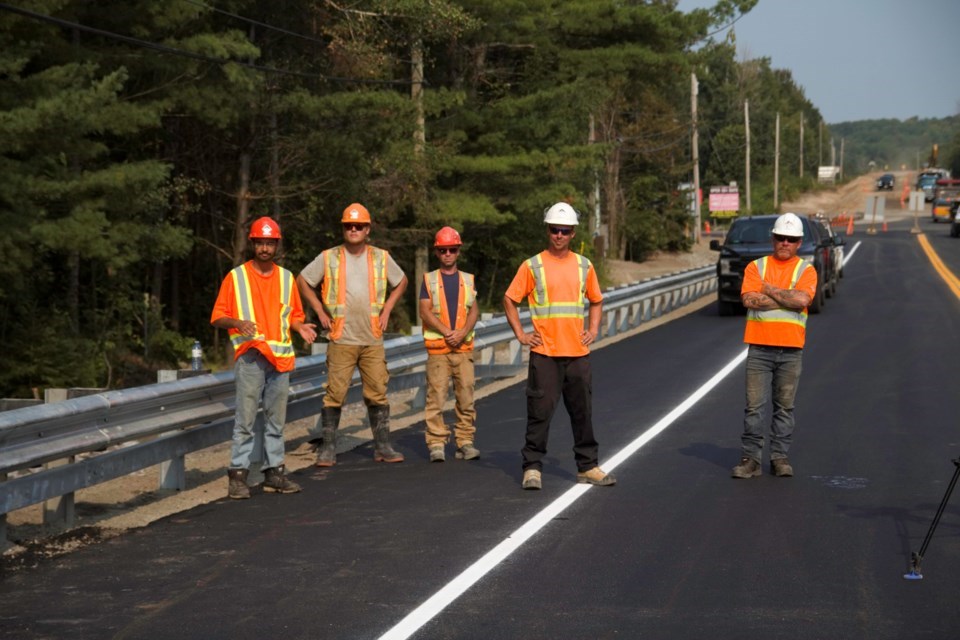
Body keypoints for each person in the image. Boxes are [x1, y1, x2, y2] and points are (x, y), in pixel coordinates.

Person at [503, 202, 616, 490]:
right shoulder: (533, 266)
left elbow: (597, 300)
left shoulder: (583, 265)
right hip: (545, 354)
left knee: (583, 412)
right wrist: (521, 334)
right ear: (547, 230)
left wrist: (592, 329)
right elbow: (510, 299)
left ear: (573, 232)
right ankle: (532, 467)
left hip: (577, 354)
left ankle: (588, 466)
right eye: (554, 230)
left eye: (565, 231)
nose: (559, 235)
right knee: (539, 413)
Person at [211, 216, 317, 499]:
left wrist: (301, 327)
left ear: (276, 245)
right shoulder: (237, 277)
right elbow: (217, 317)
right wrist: (237, 321)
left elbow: (293, 315)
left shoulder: (286, 278)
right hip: (251, 357)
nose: (265, 248)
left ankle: (275, 473)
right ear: (253, 243)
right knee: (245, 421)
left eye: (270, 243)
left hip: (280, 360)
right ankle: (238, 476)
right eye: (261, 242)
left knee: (275, 421)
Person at [297, 203, 408, 466]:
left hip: (371, 337)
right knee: (334, 393)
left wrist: (387, 309)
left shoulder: (380, 257)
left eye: (359, 226)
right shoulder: (329, 257)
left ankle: (382, 447)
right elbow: (303, 280)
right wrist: (319, 311)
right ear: (344, 228)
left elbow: (401, 281)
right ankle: (328, 449)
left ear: (368, 229)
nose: (354, 229)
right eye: (349, 225)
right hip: (341, 338)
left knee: (377, 393)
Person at [732, 212, 818, 479]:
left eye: (790, 239)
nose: (785, 243)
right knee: (754, 407)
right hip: (759, 348)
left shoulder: (806, 270)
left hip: (791, 349)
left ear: (799, 242)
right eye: (780, 237)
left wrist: (767, 290)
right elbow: (749, 299)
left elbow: (802, 300)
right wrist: (786, 296)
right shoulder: (755, 267)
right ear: (773, 238)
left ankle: (780, 458)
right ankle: (751, 460)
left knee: (784, 407)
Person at [419, 226, 480, 463]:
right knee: (436, 397)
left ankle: (465, 441)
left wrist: (462, 332)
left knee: (466, 396)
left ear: (458, 251)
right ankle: (436, 443)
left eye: (451, 249)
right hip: (439, 351)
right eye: (443, 250)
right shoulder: (429, 279)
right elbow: (424, 311)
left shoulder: (468, 279)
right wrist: (448, 333)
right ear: (437, 252)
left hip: (463, 349)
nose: (447, 254)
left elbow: (474, 310)